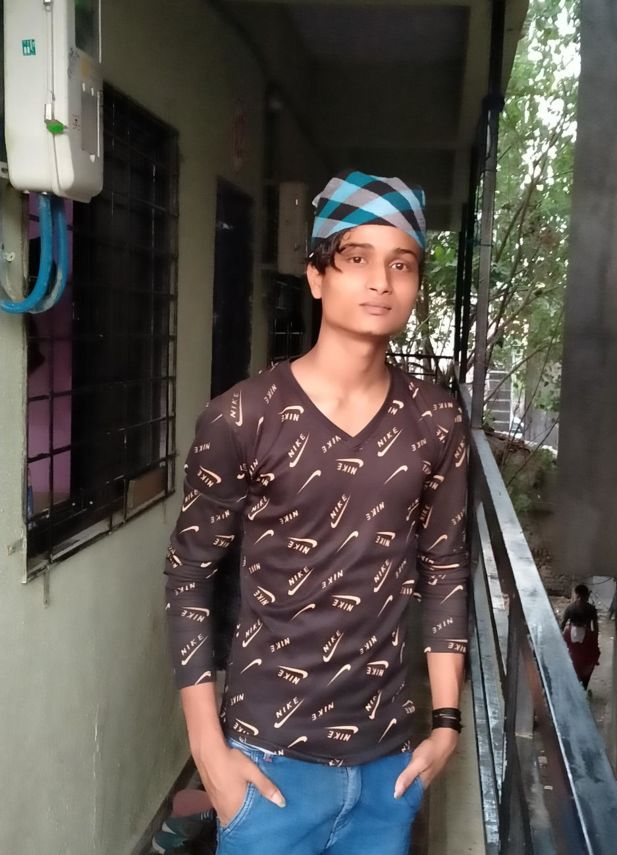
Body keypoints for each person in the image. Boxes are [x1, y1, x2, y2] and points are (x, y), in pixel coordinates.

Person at [164, 170, 470, 855]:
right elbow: (188, 576)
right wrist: (209, 751)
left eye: (402, 264)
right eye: (357, 258)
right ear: (315, 275)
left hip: (389, 769)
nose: (381, 282)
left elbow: (446, 565)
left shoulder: (437, 421)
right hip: (267, 768)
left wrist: (446, 724)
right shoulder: (241, 417)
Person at [560, 584, 600, 690]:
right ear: (587, 596)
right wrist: (595, 640)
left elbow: (563, 624)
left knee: (567, 656)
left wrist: (561, 637)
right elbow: (595, 626)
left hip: (571, 634)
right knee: (593, 656)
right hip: (586, 635)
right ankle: (583, 688)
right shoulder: (591, 608)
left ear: (576, 595)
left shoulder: (570, 607)